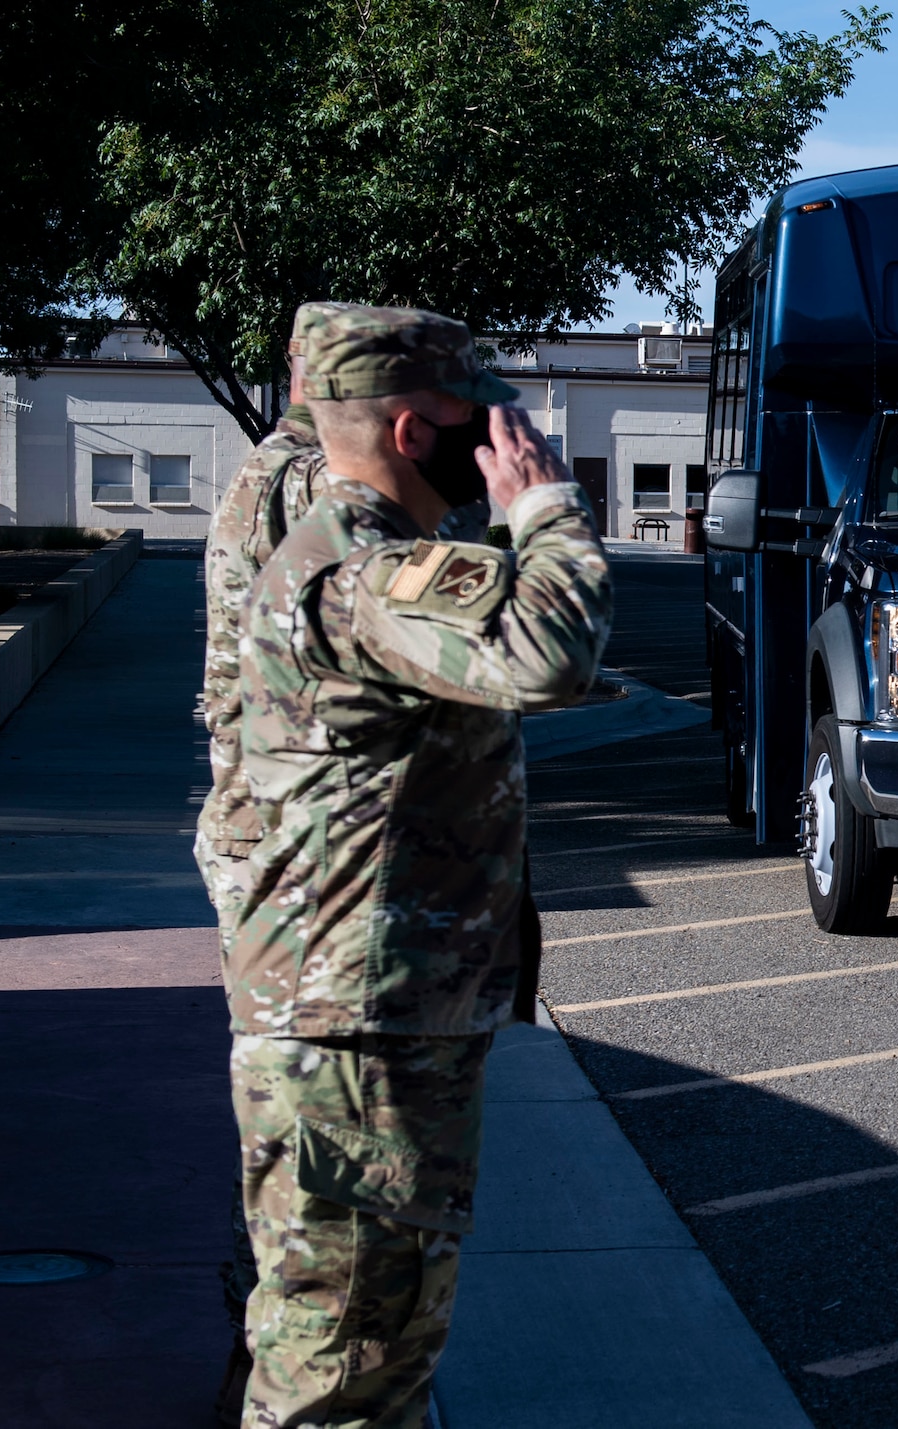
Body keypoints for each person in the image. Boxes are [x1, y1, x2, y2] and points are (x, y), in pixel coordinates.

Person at [227, 303, 611, 1425]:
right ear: (411, 434)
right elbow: (549, 653)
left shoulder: (358, 558)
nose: (501, 433)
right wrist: (543, 504)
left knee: (366, 1342)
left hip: (357, 1021)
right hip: (358, 1038)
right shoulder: (361, 570)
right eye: (476, 416)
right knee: (345, 1367)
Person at [193, 314, 336, 1426]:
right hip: (287, 852)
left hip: (265, 832)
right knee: (309, 1163)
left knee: (292, 1155)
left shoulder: (271, 473)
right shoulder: (301, 484)